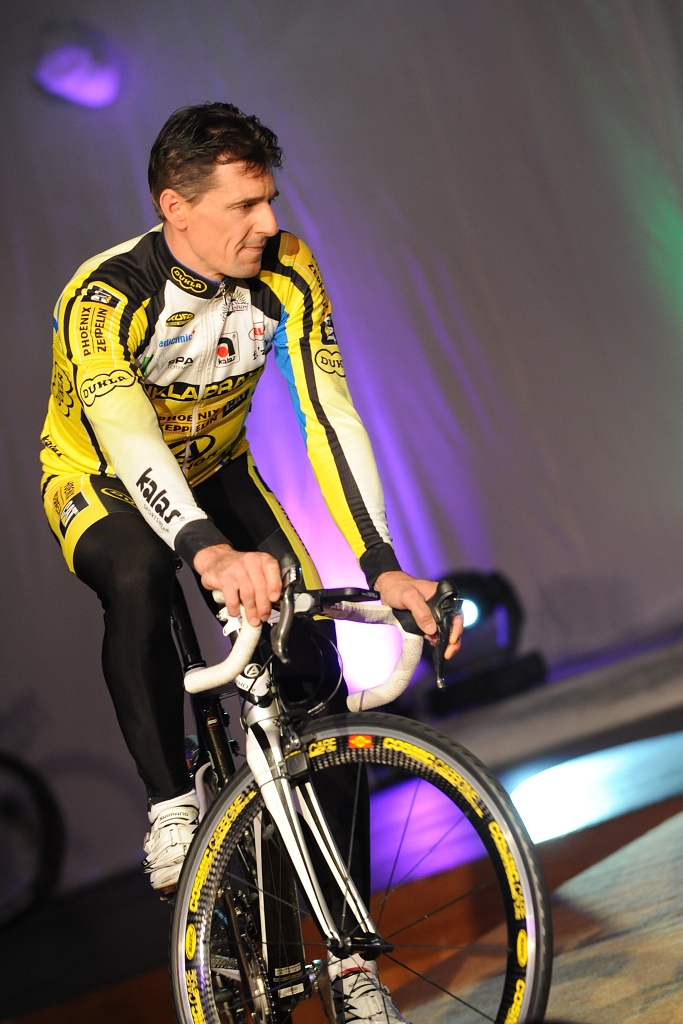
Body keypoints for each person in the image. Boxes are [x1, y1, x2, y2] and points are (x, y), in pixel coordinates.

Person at [40, 102, 462, 1023]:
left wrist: (382, 563)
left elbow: (329, 415)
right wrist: (206, 550)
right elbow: (128, 437)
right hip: (103, 480)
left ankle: (349, 958)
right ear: (176, 207)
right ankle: (170, 802)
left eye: (269, 199)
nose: (268, 222)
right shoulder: (104, 296)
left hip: (219, 471)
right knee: (140, 576)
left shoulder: (286, 271)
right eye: (243, 206)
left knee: (311, 671)